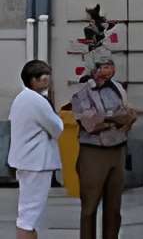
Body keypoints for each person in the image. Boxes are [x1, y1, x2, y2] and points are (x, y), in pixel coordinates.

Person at [68, 58, 133, 239]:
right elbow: (90, 123)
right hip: (93, 152)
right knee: (89, 207)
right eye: (104, 66)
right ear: (94, 70)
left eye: (111, 66)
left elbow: (129, 115)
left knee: (114, 208)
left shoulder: (118, 89)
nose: (108, 70)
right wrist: (114, 119)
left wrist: (109, 119)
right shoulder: (82, 93)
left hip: (118, 149)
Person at [6, 60, 63, 239]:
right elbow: (57, 128)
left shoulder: (22, 98)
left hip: (26, 161)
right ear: (34, 80)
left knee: (28, 215)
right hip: (36, 163)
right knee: (29, 218)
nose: (48, 81)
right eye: (44, 78)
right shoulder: (36, 101)